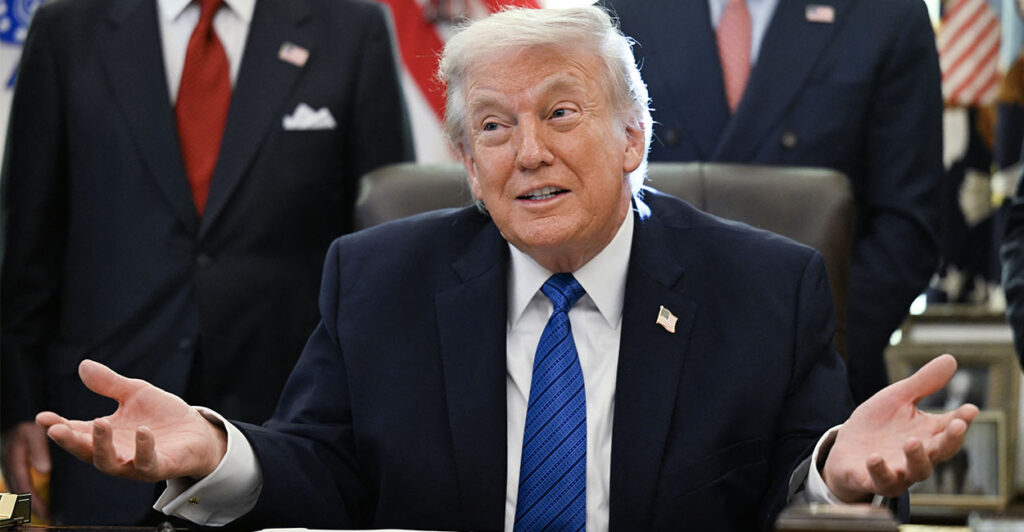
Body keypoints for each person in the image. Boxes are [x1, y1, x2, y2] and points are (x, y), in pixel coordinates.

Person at [37, 6, 976, 531]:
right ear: (470, 167)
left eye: (561, 114)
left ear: (632, 136)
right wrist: (217, 449)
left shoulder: (767, 288)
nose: (527, 152)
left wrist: (833, 473)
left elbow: (792, 479)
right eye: (494, 126)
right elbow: (324, 469)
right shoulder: (378, 281)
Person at [0, 0, 411, 524]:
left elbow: (387, 253)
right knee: (12, 520)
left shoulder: (351, 24)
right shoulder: (66, 26)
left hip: (286, 432)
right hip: (97, 425)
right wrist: (16, 407)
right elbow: (29, 241)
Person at [607, 0, 943, 404]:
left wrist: (809, 347)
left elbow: (906, 229)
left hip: (820, 386)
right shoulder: (620, 11)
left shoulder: (886, 13)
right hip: (646, 373)